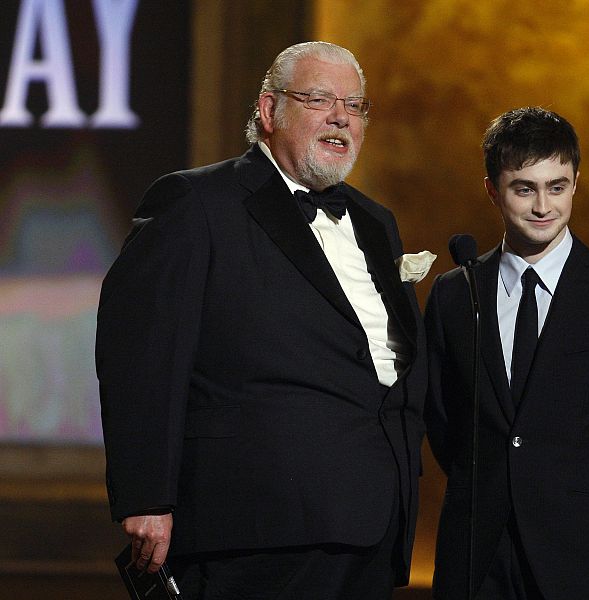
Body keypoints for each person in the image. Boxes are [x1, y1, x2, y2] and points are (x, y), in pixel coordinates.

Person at [96, 41, 432, 599]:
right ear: (270, 111)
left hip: (372, 528)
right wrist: (146, 496)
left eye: (355, 104)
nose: (341, 117)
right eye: (320, 99)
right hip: (254, 528)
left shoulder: (377, 222)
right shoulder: (197, 201)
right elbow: (140, 352)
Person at [424, 107, 589, 599]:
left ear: (576, 183)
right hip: (478, 553)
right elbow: (441, 417)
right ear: (492, 189)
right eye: (524, 188)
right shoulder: (454, 294)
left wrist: (587, 502)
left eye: (556, 187)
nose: (543, 206)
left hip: (584, 553)